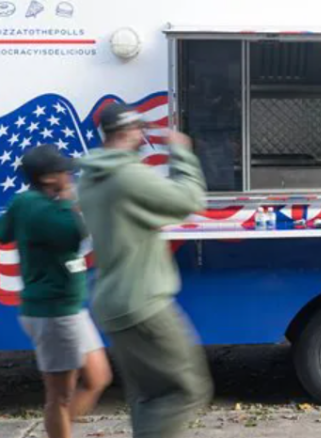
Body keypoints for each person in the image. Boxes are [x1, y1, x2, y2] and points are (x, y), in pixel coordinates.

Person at [77, 103, 212, 438]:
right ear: (128, 132)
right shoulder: (126, 175)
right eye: (139, 129)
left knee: (149, 395)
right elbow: (190, 200)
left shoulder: (92, 176)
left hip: (113, 300)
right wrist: (181, 154)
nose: (143, 135)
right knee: (186, 390)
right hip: (143, 302)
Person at [0, 145, 111, 438]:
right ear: (49, 178)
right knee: (60, 397)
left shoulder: (24, 203)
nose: (69, 175)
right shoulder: (49, 211)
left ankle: (56, 431)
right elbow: (79, 233)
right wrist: (68, 200)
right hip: (52, 314)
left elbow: (4, 232)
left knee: (98, 377)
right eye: (64, 171)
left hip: (68, 309)